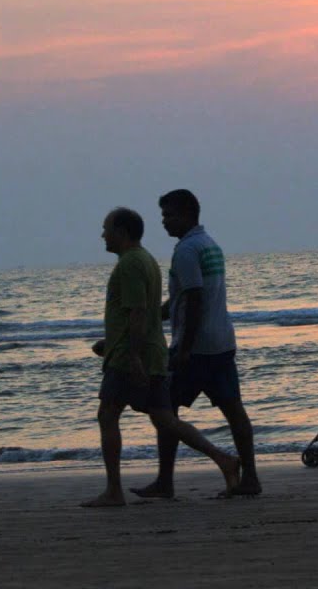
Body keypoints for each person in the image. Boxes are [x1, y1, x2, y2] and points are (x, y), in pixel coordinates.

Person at [82, 207, 240, 508]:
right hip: (146, 351)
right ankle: (224, 459)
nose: (103, 234)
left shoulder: (130, 264)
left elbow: (139, 313)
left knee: (108, 414)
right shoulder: (145, 260)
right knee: (164, 417)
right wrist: (113, 341)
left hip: (132, 356)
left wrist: (131, 356)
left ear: (122, 231)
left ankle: (114, 491)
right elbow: (146, 313)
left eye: (106, 228)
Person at [131, 190, 261, 499]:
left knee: (164, 409)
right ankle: (251, 478)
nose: (164, 222)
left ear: (188, 214)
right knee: (234, 410)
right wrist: (154, 317)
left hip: (197, 347)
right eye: (163, 216)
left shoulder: (187, 250)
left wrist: (184, 349)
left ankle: (165, 481)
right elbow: (181, 299)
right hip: (222, 341)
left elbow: (193, 299)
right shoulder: (209, 244)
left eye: (169, 216)